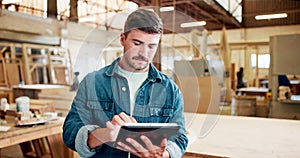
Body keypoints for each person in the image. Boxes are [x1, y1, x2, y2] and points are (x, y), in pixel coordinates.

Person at [63, 8, 188, 158]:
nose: (144, 53)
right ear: (122, 39)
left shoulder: (170, 90)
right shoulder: (92, 83)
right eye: (137, 43)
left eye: (151, 46)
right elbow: (70, 132)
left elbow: (180, 137)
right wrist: (107, 134)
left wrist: (165, 154)